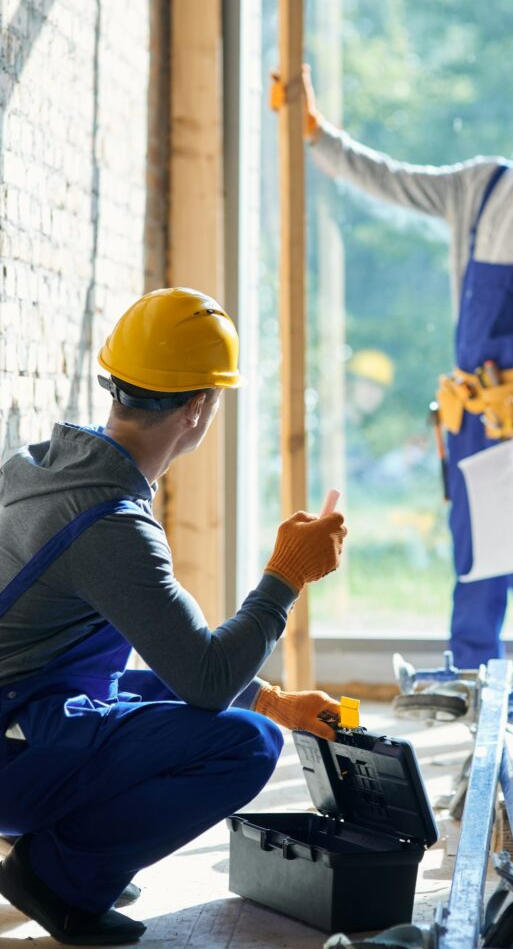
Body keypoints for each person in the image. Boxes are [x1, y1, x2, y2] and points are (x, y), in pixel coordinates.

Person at [0, 287, 347, 945]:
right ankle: (56, 876)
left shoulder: (43, 466)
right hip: (11, 743)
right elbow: (208, 681)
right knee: (244, 745)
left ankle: (70, 841)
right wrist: (287, 576)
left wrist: (276, 700)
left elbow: (165, 651)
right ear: (199, 407)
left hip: (22, 708)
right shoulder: (110, 523)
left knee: (150, 690)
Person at [301, 55, 513, 704]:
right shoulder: (482, 184)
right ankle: (470, 691)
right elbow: (393, 180)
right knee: (475, 552)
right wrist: (316, 135)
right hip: (470, 409)